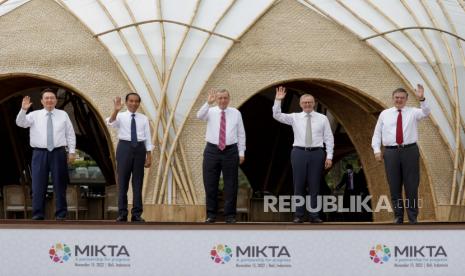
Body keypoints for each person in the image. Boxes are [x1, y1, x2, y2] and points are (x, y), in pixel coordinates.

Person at [272, 86, 334, 223]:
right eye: (304, 102)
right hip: (299, 153)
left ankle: (314, 215)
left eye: (310, 102)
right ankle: (299, 215)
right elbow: (276, 115)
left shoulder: (322, 119)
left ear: (314, 103)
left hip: (317, 153)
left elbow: (329, 138)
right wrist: (277, 100)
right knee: (298, 185)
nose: (307, 105)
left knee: (314, 185)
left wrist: (329, 156)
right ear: (300, 104)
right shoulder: (295, 117)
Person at [371, 84, 430, 224]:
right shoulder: (385, 114)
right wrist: (377, 150)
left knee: (411, 185)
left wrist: (422, 99)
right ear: (393, 98)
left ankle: (412, 217)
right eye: (396, 97)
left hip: (409, 151)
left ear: (406, 99)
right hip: (391, 152)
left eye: (402, 98)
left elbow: (426, 112)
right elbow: (377, 133)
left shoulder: (413, 112)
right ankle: (398, 216)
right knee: (394, 186)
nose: (399, 100)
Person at [16, 88, 76, 220]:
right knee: (38, 185)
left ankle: (61, 214)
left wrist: (71, 152)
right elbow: (20, 123)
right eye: (46, 98)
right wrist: (23, 110)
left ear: (55, 100)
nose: (49, 100)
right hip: (39, 153)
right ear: (42, 101)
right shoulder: (34, 115)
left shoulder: (63, 115)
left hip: (58, 153)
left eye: (52, 98)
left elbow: (70, 134)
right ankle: (38, 214)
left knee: (60, 185)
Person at [197, 89, 246, 223]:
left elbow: (241, 133)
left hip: (231, 151)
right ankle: (211, 215)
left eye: (225, 98)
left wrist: (241, 152)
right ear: (216, 99)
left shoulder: (236, 113)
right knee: (210, 183)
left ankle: (230, 215)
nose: (223, 101)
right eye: (220, 98)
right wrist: (208, 103)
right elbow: (199, 116)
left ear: (229, 99)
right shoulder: (210, 111)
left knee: (231, 184)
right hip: (212, 150)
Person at [107, 93, 153, 222]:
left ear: (139, 103)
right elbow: (111, 123)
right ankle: (122, 213)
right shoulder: (120, 116)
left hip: (139, 149)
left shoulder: (143, 118)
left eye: (137, 101)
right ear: (126, 102)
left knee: (138, 183)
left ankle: (136, 214)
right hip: (124, 148)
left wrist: (149, 155)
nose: (134, 103)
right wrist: (115, 110)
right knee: (122, 183)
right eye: (131, 101)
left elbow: (148, 138)